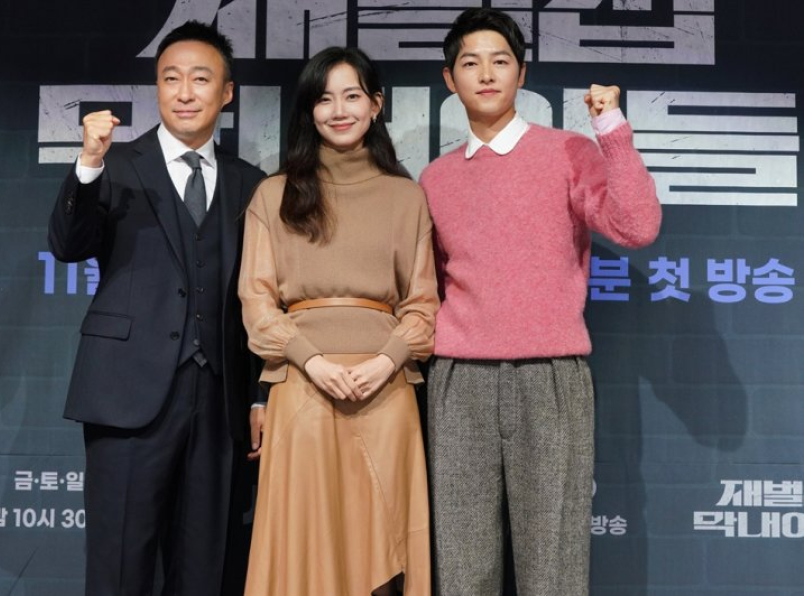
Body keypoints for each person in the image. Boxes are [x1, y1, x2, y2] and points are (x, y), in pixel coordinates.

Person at [418, 8, 662, 596]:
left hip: (550, 377)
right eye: (470, 63)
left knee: (553, 567)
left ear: (521, 73)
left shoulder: (567, 152)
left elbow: (636, 227)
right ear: (449, 79)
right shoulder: (435, 178)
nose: (486, 74)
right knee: (462, 567)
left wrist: (611, 129)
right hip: (459, 381)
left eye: (500, 61)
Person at [48, 20, 266, 596]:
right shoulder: (115, 166)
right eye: (171, 78)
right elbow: (68, 245)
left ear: (226, 92)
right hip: (126, 395)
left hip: (219, 401)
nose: (184, 92)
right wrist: (88, 161)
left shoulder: (252, 184)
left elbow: (261, 299)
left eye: (200, 78)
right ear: (157, 87)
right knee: (120, 566)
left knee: (206, 570)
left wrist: (258, 394)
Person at [238, 46, 437, 596]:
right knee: (304, 552)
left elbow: (423, 305)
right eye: (324, 99)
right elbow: (256, 304)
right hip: (303, 389)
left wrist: (386, 362)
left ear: (376, 105)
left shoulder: (406, 197)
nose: (339, 110)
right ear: (309, 110)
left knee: (386, 554)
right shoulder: (273, 194)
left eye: (352, 96)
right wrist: (313, 362)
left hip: (386, 393)